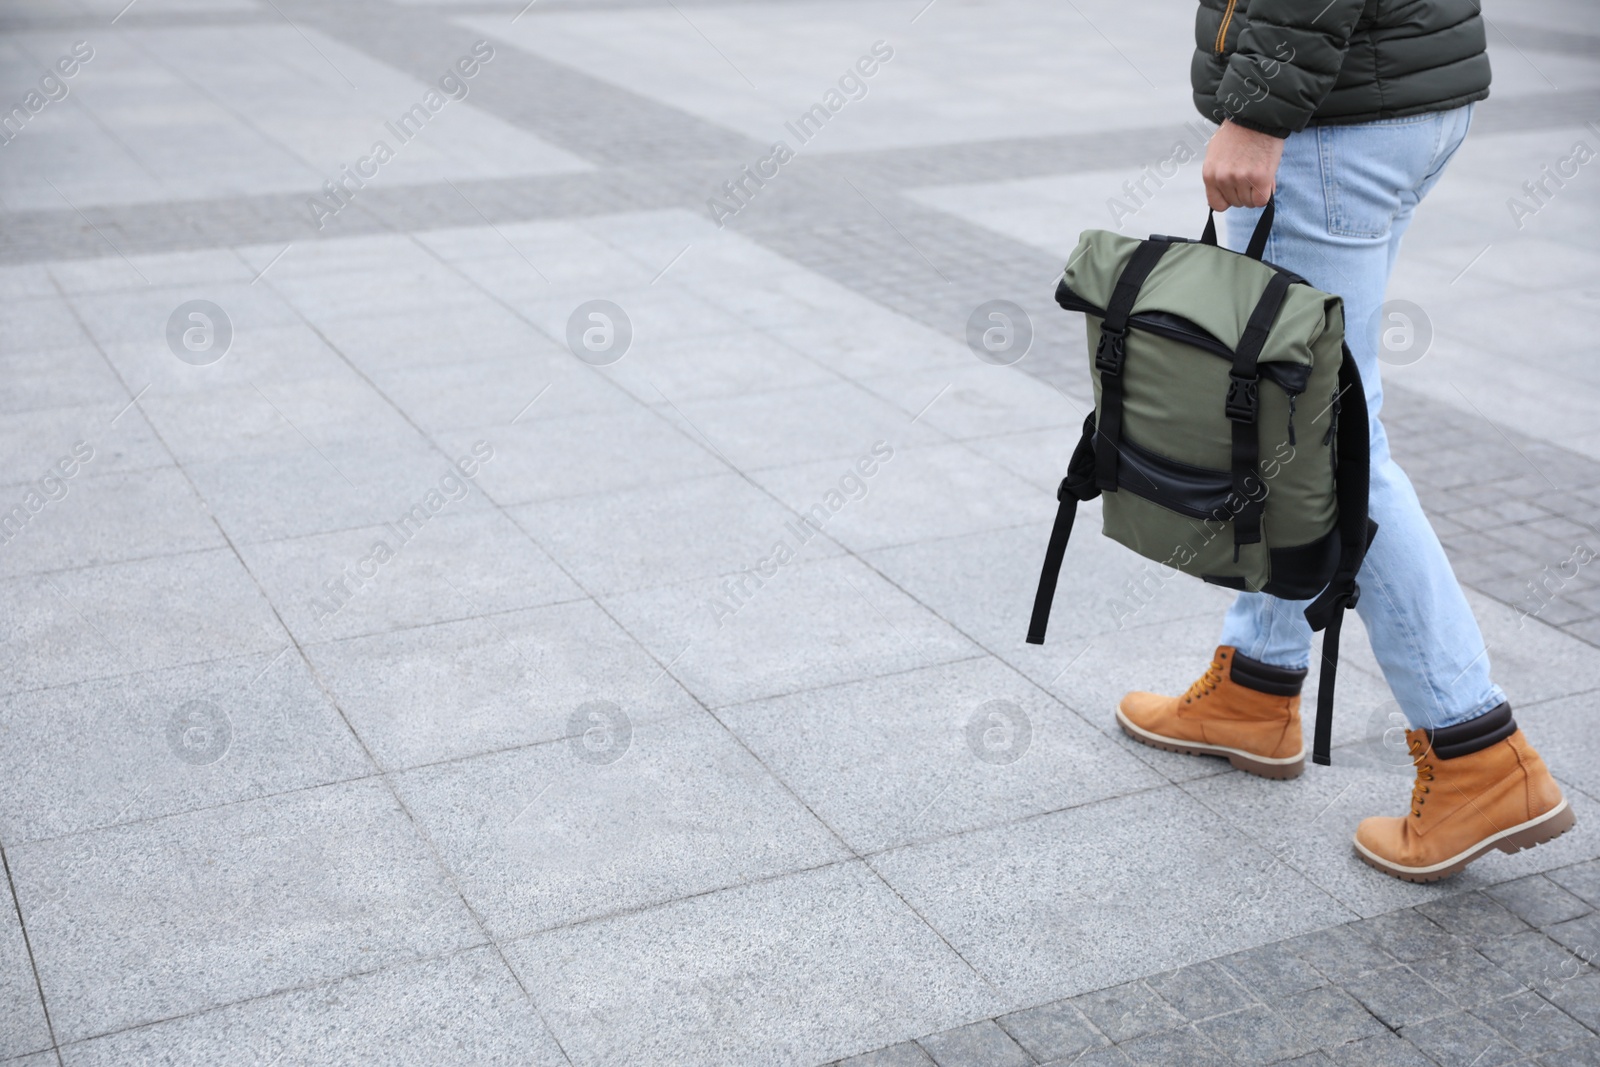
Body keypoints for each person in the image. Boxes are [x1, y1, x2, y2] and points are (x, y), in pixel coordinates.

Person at [1114, 0, 1575, 881]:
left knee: (1328, 440)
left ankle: (1476, 749)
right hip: (1388, 87)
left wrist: (1257, 112)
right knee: (1300, 426)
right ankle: (1256, 683)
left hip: (1329, 116)